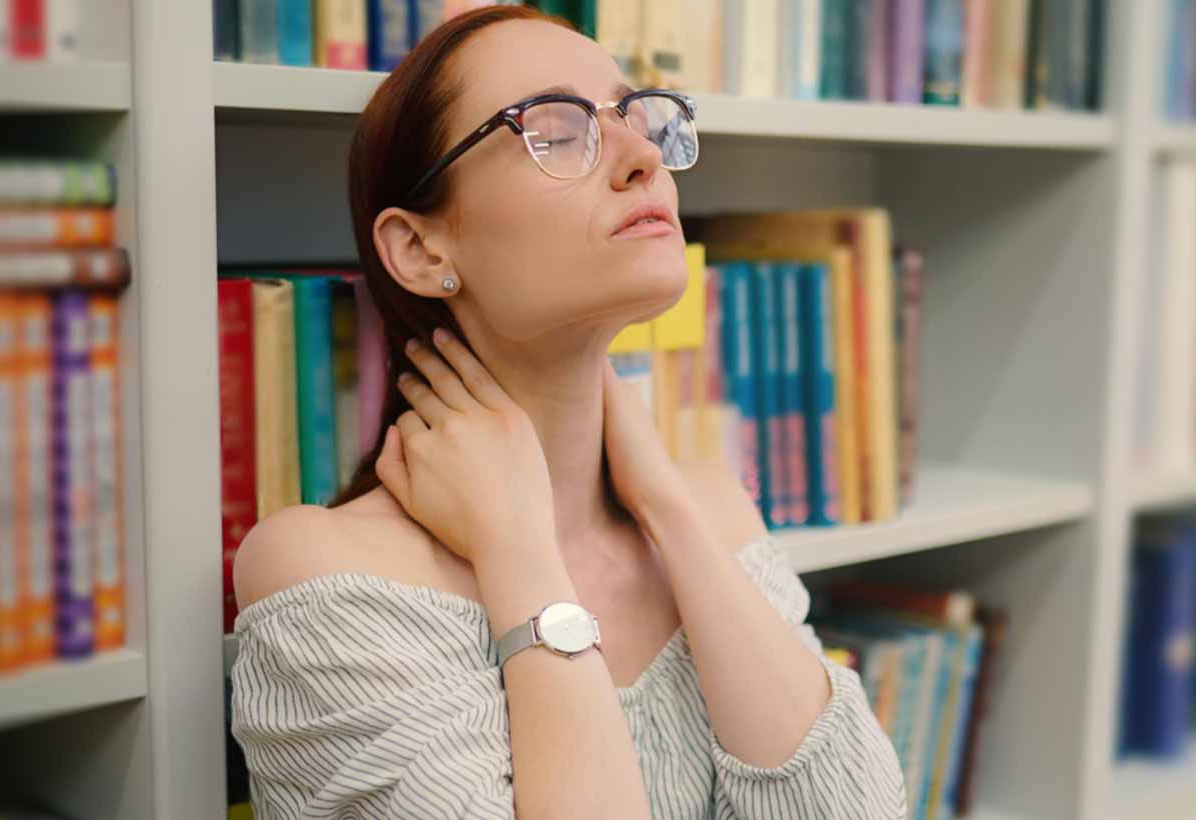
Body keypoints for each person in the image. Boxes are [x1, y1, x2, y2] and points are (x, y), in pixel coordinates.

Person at [228, 6, 905, 818]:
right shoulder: (325, 574)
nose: (643, 157)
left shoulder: (707, 508)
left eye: (638, 117)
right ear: (419, 249)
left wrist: (667, 508)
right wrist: (519, 552)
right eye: (554, 131)